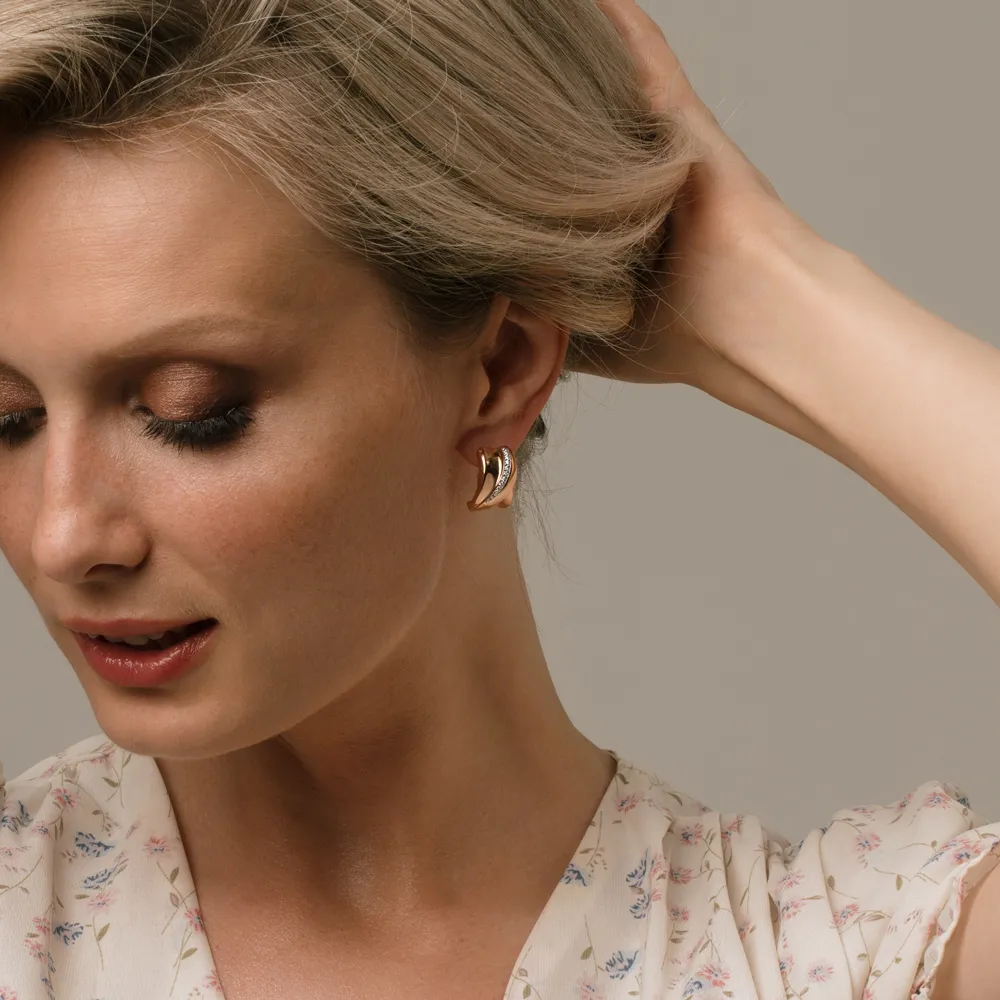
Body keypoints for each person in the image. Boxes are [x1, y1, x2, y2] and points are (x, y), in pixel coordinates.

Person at [0, 0, 996, 997]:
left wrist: (761, 281)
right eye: (9, 420)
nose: (63, 535)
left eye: (192, 410)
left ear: (504, 368)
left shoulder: (815, 957)